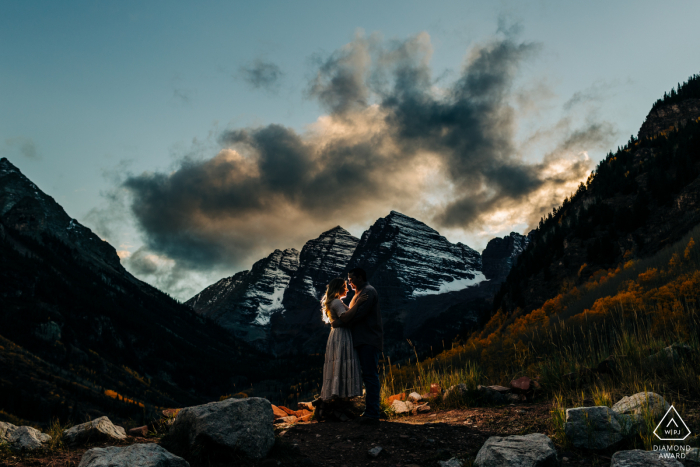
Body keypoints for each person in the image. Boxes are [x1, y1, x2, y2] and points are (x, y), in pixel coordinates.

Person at [332, 267, 383, 424]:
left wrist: (337, 322)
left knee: (370, 376)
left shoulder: (368, 292)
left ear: (360, 277)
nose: (349, 283)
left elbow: (358, 316)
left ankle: (373, 414)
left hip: (368, 340)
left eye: (352, 279)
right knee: (367, 376)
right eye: (349, 280)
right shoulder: (358, 294)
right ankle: (370, 411)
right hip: (361, 340)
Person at [319, 278, 368, 401]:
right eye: (344, 286)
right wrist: (358, 303)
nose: (346, 289)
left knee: (339, 362)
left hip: (337, 334)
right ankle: (342, 396)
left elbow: (339, 320)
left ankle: (338, 395)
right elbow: (345, 317)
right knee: (343, 360)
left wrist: (337, 323)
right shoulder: (336, 302)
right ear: (338, 288)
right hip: (342, 335)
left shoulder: (335, 302)